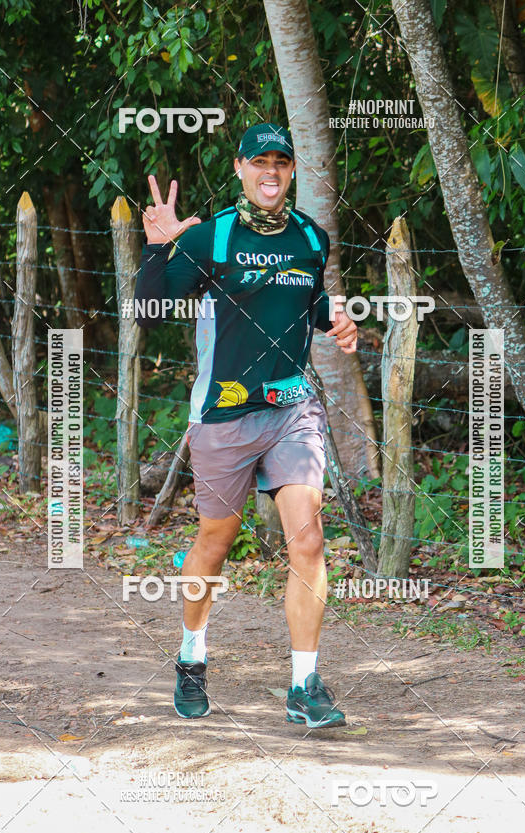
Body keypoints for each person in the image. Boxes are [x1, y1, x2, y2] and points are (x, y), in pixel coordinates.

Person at [134, 123, 357, 728]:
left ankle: (304, 685)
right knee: (215, 542)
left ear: (290, 172)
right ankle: (191, 655)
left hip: (292, 409)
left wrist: (335, 320)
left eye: (281, 162)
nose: (271, 171)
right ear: (239, 168)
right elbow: (150, 312)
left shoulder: (313, 237)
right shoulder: (213, 238)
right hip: (224, 414)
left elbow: (304, 306)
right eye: (259, 161)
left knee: (307, 540)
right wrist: (158, 246)